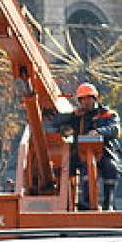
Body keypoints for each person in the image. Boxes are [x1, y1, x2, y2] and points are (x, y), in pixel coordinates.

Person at [51, 82, 120, 210]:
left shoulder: (107, 114)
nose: (85, 102)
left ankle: (107, 204)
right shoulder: (77, 116)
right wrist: (72, 115)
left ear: (95, 98)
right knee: (72, 168)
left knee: (111, 168)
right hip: (81, 152)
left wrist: (99, 132)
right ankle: (83, 202)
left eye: (88, 98)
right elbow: (55, 122)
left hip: (103, 152)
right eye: (82, 99)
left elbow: (115, 129)